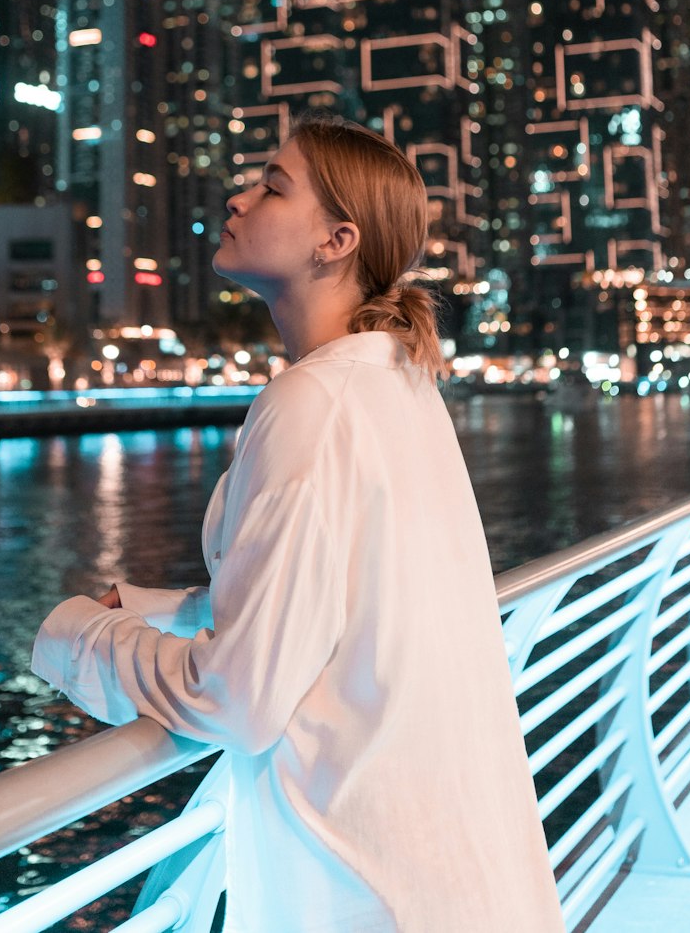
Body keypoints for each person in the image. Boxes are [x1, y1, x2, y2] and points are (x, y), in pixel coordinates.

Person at [32, 112, 565, 931]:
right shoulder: (398, 383)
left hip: (362, 883)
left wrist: (79, 637)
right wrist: (159, 610)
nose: (239, 199)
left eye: (273, 186)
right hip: (455, 873)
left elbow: (238, 700)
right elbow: (332, 599)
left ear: (336, 241)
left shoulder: (309, 401)